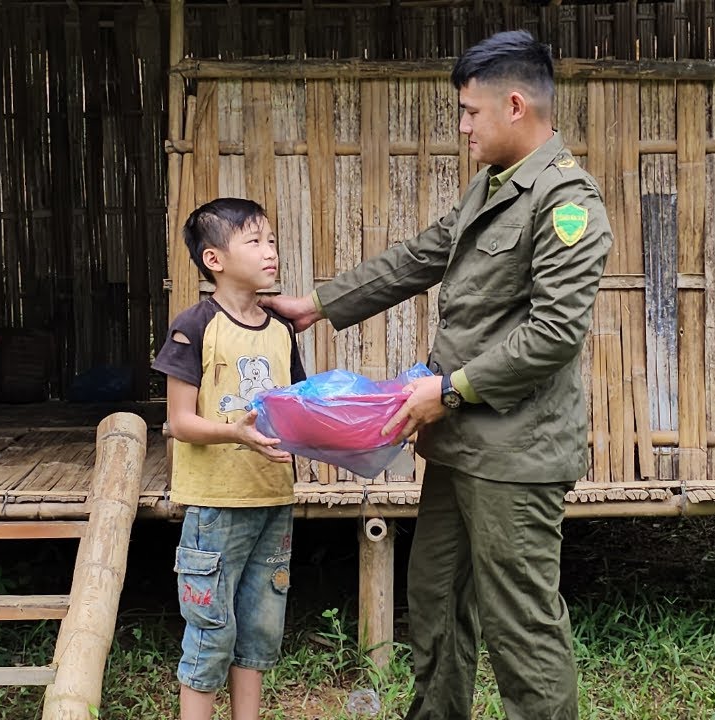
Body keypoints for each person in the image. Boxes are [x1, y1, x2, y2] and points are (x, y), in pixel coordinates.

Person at [262, 30, 613, 720]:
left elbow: (553, 336)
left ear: (515, 105)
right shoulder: (494, 184)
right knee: (434, 601)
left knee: (521, 624)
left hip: (516, 452)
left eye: (469, 112)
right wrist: (321, 305)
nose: (462, 127)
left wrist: (448, 391)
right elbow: (425, 253)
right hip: (458, 443)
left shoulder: (568, 204)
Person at [154, 198, 306, 720]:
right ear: (214, 260)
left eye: (271, 240)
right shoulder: (195, 324)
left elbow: (299, 411)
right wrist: (236, 434)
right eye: (255, 241)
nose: (271, 252)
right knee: (211, 632)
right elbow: (179, 422)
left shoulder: (282, 330)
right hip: (216, 505)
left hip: (273, 499)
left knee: (260, 631)